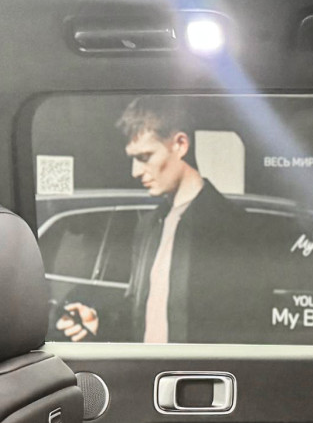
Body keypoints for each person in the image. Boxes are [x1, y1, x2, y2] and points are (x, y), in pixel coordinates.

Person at [56, 97, 245, 343]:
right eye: (133, 159)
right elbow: (144, 312)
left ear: (180, 144)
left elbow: (242, 325)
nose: (135, 171)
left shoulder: (231, 226)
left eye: (144, 157)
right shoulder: (148, 226)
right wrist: (100, 321)